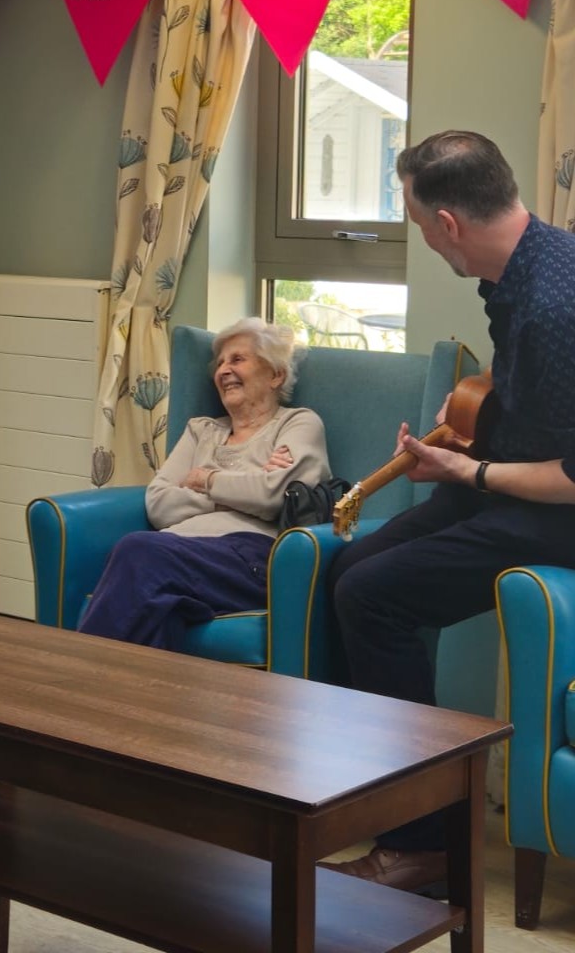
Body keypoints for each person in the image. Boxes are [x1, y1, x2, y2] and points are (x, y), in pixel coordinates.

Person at [327, 130, 575, 895]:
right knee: (350, 567)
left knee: (373, 598)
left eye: (415, 219)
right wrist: (476, 409)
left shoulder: (555, 304)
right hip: (502, 476)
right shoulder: (530, 261)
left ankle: (428, 846)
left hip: (555, 510)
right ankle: (361, 793)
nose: (423, 239)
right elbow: (536, 387)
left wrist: (468, 466)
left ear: (448, 225)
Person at [78, 318, 330, 651]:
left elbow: (274, 496)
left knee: (137, 550)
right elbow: (159, 504)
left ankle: (73, 682)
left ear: (275, 375)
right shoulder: (202, 430)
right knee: (161, 611)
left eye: (237, 359)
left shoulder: (298, 423)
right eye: (221, 363)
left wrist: (205, 479)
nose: (224, 370)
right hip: (178, 553)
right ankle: (133, 700)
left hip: (251, 556)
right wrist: (237, 491)